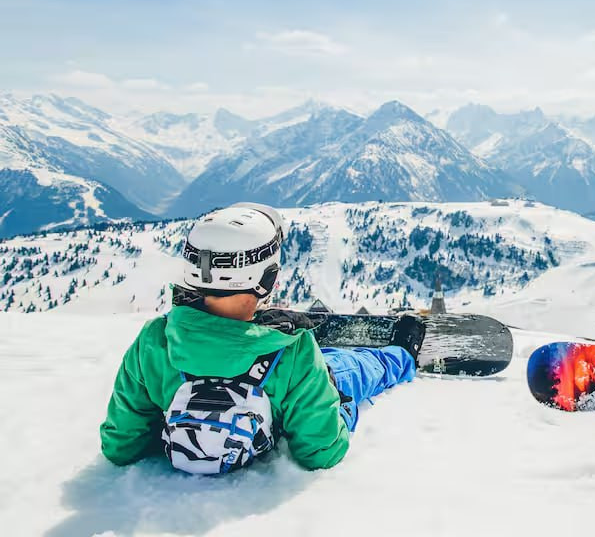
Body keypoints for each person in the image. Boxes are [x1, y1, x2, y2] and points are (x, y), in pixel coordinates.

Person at [99, 203, 422, 474]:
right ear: (266, 278)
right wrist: (340, 409)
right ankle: (403, 353)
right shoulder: (293, 351)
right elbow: (321, 451)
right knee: (349, 368)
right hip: (292, 374)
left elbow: (120, 447)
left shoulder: (155, 340)